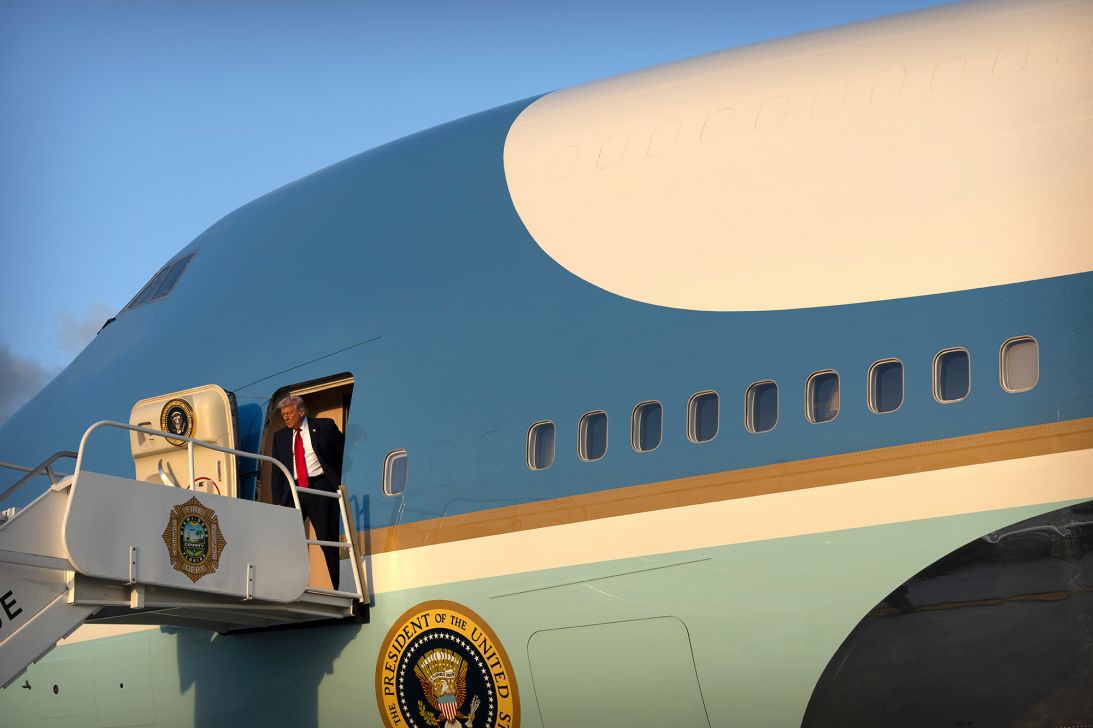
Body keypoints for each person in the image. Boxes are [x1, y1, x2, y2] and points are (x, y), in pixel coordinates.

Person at [270, 395, 345, 589]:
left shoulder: (325, 426)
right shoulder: (280, 437)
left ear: (302, 412)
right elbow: (277, 473)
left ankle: (341, 585)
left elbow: (343, 451)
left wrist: (340, 479)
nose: (285, 417)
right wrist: (278, 503)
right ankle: (288, 587)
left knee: (327, 540)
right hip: (293, 491)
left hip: (320, 487)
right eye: (283, 414)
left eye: (289, 413)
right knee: (286, 540)